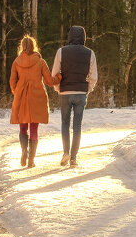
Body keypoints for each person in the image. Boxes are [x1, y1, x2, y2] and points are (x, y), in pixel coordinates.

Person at [51, 25, 97, 167]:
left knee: (65, 123)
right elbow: (93, 76)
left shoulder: (61, 51)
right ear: (83, 37)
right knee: (77, 126)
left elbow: (54, 74)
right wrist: (87, 89)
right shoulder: (90, 53)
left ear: (70, 36)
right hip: (81, 93)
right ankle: (73, 158)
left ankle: (66, 152)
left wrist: (58, 88)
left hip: (65, 93)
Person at [9, 35, 55, 168]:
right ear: (34, 46)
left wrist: (17, 91)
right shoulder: (41, 62)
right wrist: (59, 77)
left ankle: (24, 151)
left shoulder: (16, 62)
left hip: (21, 97)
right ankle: (31, 160)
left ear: (22, 47)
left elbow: (12, 82)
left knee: (23, 127)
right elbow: (49, 81)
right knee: (34, 128)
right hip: (37, 97)